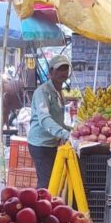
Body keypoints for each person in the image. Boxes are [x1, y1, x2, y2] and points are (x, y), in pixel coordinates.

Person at [27, 55, 72, 188]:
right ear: (51, 72)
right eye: (59, 69)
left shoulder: (58, 91)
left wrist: (72, 131)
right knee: (46, 183)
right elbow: (45, 119)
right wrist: (64, 134)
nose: (63, 72)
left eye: (65, 69)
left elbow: (57, 120)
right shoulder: (43, 92)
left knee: (53, 180)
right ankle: (40, 200)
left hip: (51, 143)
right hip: (40, 144)